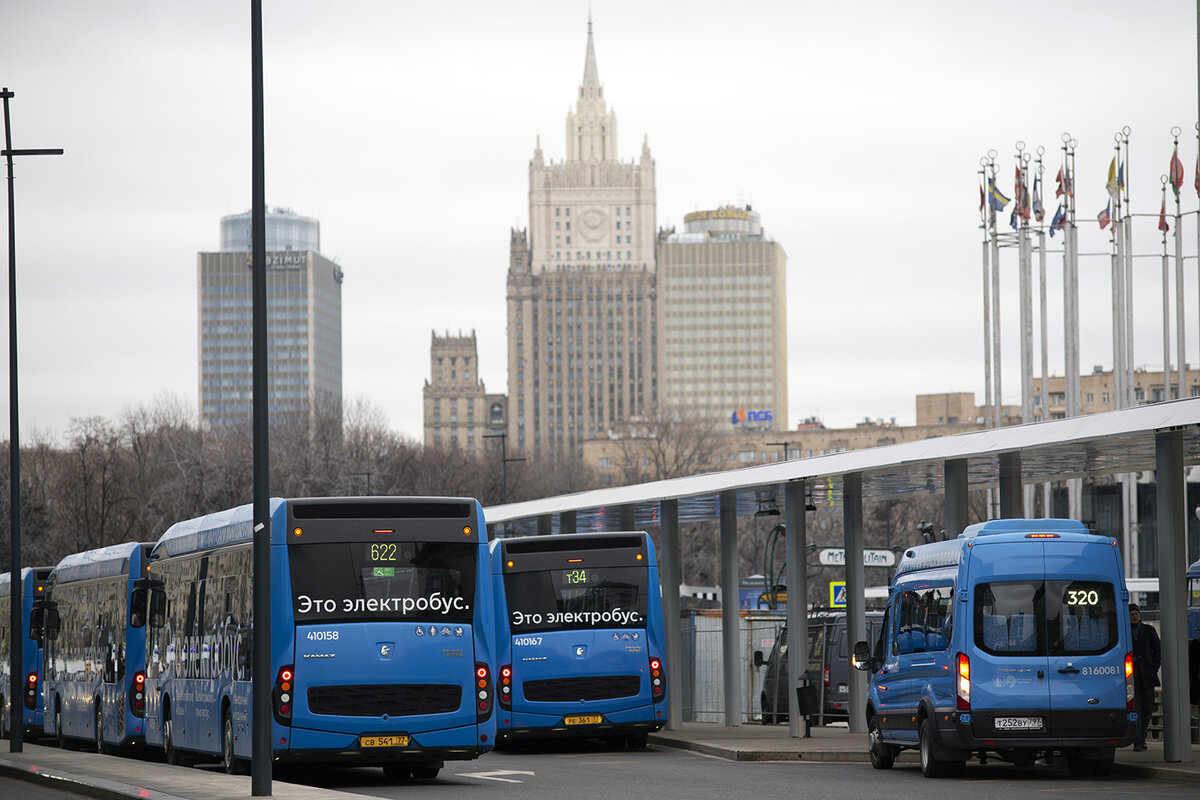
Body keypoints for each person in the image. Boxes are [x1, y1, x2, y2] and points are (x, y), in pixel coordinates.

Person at [1129, 603, 1161, 751]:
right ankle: (1138, 740)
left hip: (1147, 675)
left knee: (1147, 708)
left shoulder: (1149, 630)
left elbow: (1157, 650)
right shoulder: (1125, 632)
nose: (1135, 616)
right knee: (1136, 709)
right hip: (1132, 677)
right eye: (1131, 614)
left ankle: (1141, 736)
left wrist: (1153, 667)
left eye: (1136, 614)